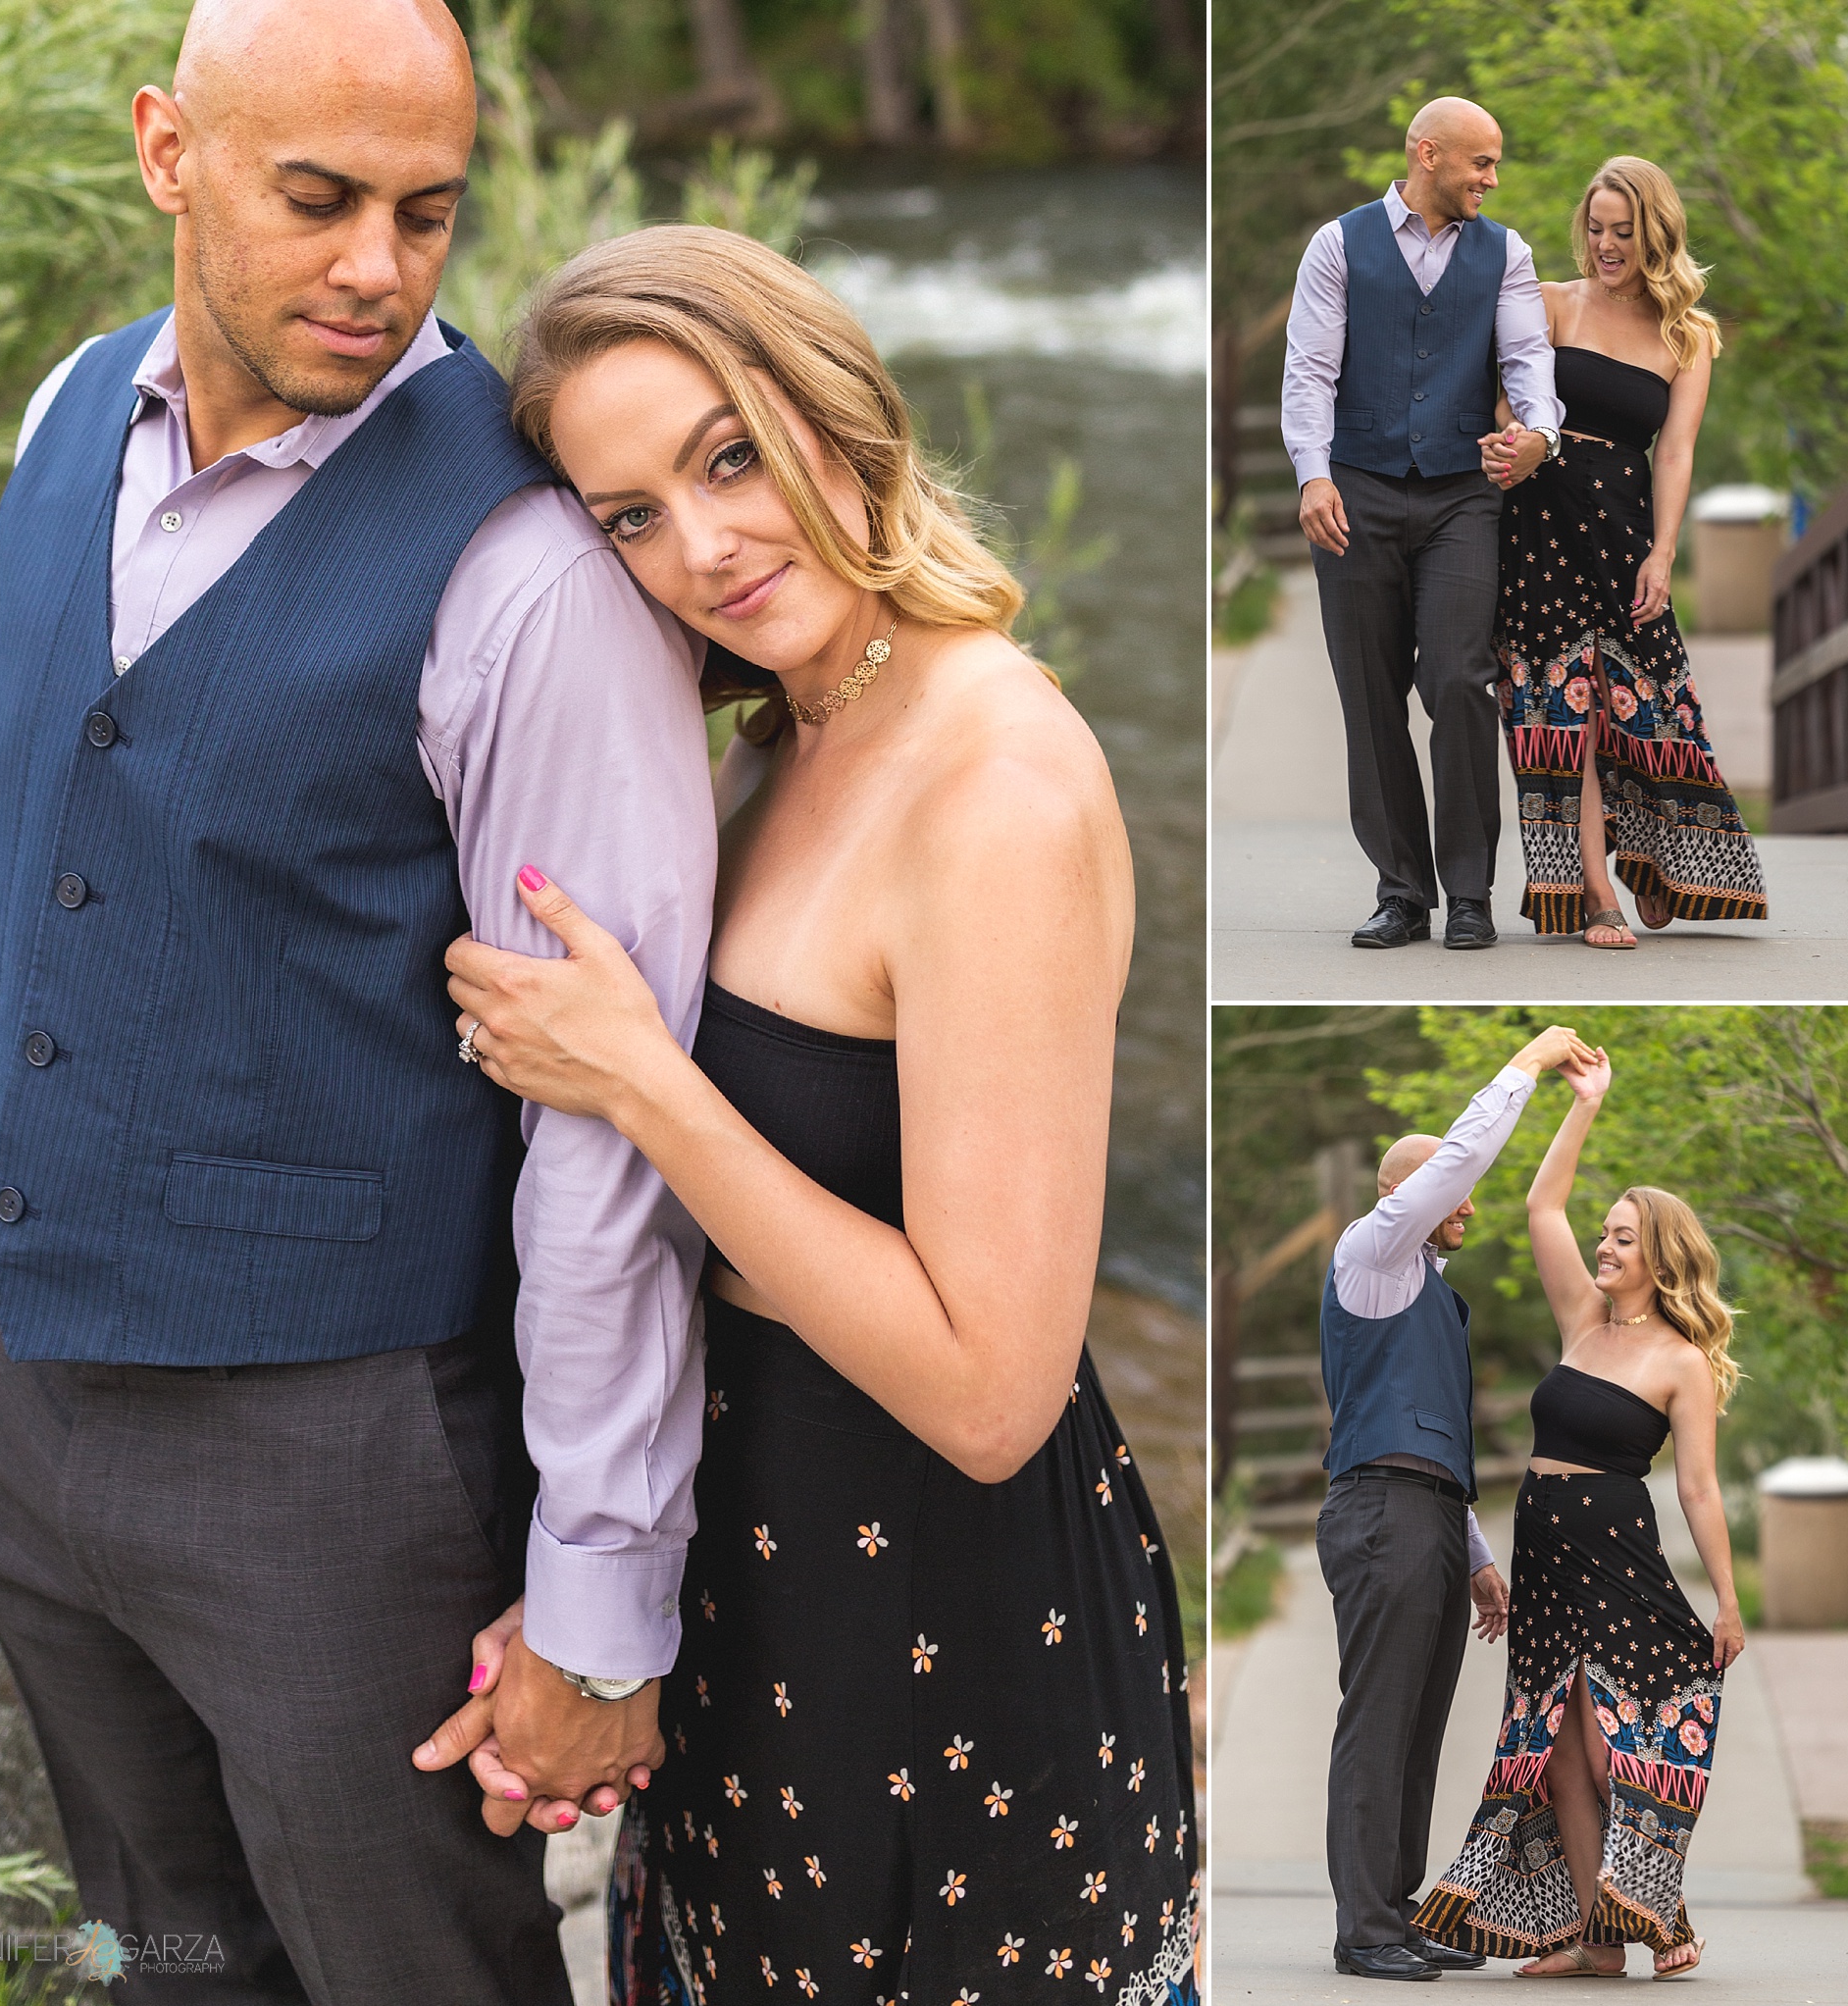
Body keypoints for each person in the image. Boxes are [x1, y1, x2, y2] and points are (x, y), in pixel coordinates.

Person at [0, 4, 717, 1998]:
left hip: (342, 1458)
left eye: (426, 211)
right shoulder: (61, 423)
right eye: (319, 201)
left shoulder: (534, 573)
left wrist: (598, 1593)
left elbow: (605, 1119)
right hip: (31, 1405)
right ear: (166, 154)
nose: (377, 266)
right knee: (169, 1954)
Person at [417, 225, 1201, 2001]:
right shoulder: (774, 733)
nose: (699, 550)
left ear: (834, 412)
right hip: (753, 1560)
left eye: (724, 457)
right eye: (627, 515)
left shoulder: (994, 782)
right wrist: (584, 1591)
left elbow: (993, 1392)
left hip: (945, 1614)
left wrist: (644, 1083)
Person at [1414, 1050, 1741, 1980]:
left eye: (1625, 1236)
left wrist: (1726, 1600)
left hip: (1618, 1560)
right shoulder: (1581, 1321)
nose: (1605, 1246)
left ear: (1663, 1253)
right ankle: (1599, 1943)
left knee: (1606, 1740)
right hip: (1548, 1560)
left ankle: (1656, 1923)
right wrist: (1585, 1105)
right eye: (1607, 1233)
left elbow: (1699, 1488)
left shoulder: (1681, 1360)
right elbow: (1540, 1207)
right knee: (1550, 1745)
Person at [1317, 1024, 1596, 1983]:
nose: (1464, 1200)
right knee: (1377, 1717)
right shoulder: (1374, 1252)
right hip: (1378, 1512)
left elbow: (1432, 1432)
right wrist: (1524, 1063)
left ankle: (1393, 1912)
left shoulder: (1429, 1290)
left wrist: (1476, 1553)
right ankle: (1362, 1928)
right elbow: (1462, 1153)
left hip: (1427, 1511)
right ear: (1407, 1192)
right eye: (1448, 1187)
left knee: (1419, 1722)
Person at [1282, 97, 1565, 952]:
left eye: (1496, 166)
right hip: (1357, 493)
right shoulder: (1338, 245)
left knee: (1459, 682)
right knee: (1369, 696)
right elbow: (1309, 370)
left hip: (1461, 498)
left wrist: (1539, 436)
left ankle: (1469, 890)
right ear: (1427, 154)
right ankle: (1402, 892)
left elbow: (1528, 361)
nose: (1491, 179)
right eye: (1481, 163)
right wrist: (1314, 475)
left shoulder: (1505, 253)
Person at [1482, 157, 1767, 947]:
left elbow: (1674, 453)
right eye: (1597, 229)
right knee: (1558, 706)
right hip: (1536, 525)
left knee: (1648, 699)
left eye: (1624, 233)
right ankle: (1593, 887)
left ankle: (1653, 859)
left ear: (1658, 235)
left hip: (1624, 530)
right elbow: (1510, 401)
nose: (1606, 246)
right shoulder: (1548, 305)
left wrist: (1664, 554)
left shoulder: (1688, 335)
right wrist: (1512, 443)